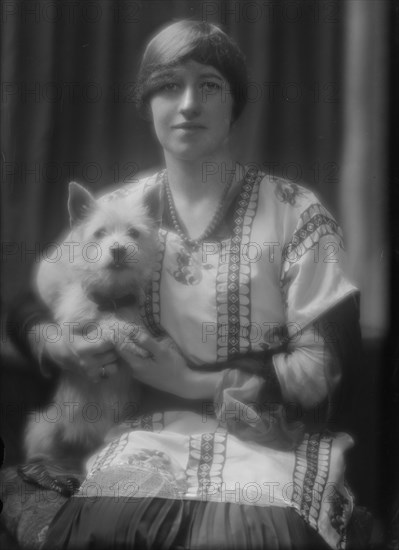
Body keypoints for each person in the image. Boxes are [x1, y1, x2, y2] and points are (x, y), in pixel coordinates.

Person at [8, 19, 364, 550]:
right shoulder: (124, 210)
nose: (189, 104)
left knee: (246, 536)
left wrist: (193, 382)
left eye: (210, 85)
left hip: (265, 437)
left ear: (234, 103)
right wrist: (66, 348)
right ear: (148, 101)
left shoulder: (294, 212)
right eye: (170, 85)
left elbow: (321, 368)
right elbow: (31, 301)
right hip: (143, 433)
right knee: (106, 530)